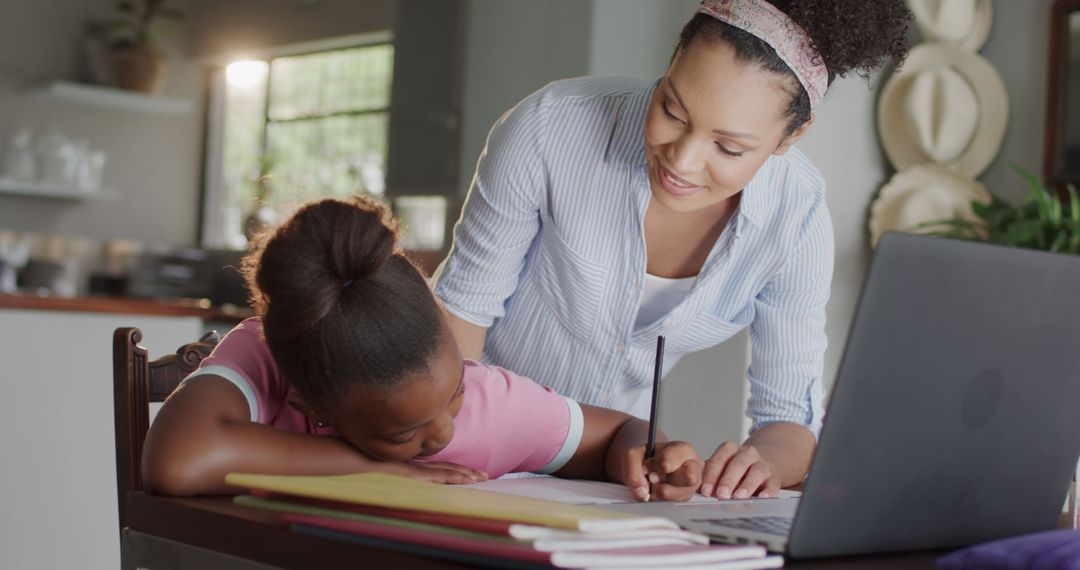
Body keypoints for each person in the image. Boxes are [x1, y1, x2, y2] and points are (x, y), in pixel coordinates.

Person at [433, 0, 911, 500]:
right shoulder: (550, 129)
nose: (682, 161)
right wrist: (445, 449)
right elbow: (459, 318)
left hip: (606, 479)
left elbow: (790, 420)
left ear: (790, 136)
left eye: (729, 148)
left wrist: (759, 463)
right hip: (470, 455)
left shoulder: (797, 217)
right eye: (673, 110)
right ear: (670, 62)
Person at [142, 196, 703, 501]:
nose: (443, 435)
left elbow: (616, 431)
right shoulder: (269, 356)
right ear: (311, 405)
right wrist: (368, 471)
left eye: (453, 391)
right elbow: (175, 460)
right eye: (402, 434)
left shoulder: (485, 409)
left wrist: (647, 452)